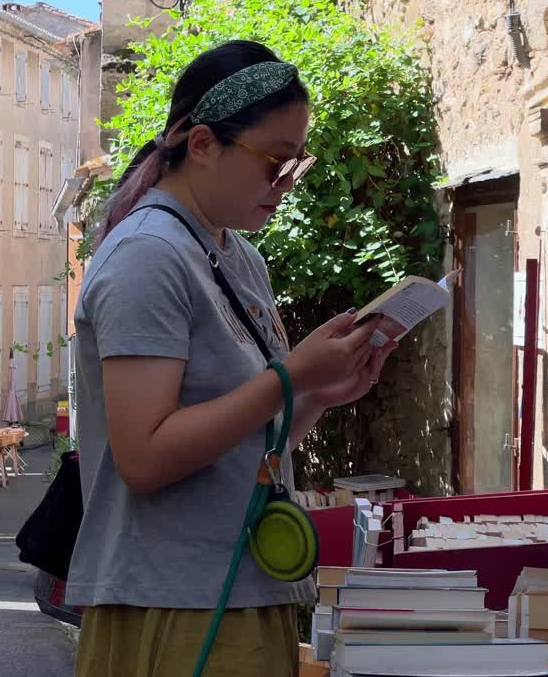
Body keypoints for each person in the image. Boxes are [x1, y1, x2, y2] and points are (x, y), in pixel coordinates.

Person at [67, 40, 397, 676]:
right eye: (274, 160)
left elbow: (249, 443)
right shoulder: (148, 256)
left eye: (295, 164)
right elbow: (143, 457)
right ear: (201, 145)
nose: (285, 184)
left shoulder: (236, 256)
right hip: (174, 603)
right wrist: (290, 377)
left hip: (239, 591)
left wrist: (321, 393)